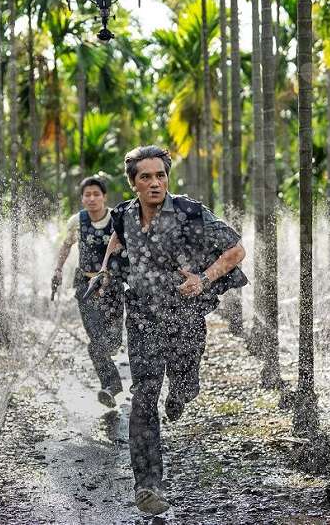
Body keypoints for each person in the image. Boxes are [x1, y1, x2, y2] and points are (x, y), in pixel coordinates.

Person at [94, 146, 247, 515]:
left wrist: (204, 278)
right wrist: (104, 271)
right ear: (133, 183)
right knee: (144, 394)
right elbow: (116, 239)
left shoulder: (190, 213)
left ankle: (182, 391)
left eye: (160, 175)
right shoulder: (124, 216)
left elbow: (236, 249)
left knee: (183, 382)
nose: (154, 183)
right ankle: (147, 486)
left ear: (167, 178)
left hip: (186, 316)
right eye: (145, 177)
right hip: (144, 318)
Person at [51, 177, 125, 408]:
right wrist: (58, 270)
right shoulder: (77, 221)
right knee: (95, 343)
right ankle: (111, 386)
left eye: (96, 194)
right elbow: (66, 245)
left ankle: (112, 381)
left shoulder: (117, 220)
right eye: (87, 195)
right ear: (82, 198)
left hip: (112, 287)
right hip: (85, 287)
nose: (91, 199)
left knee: (112, 341)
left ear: (104, 197)